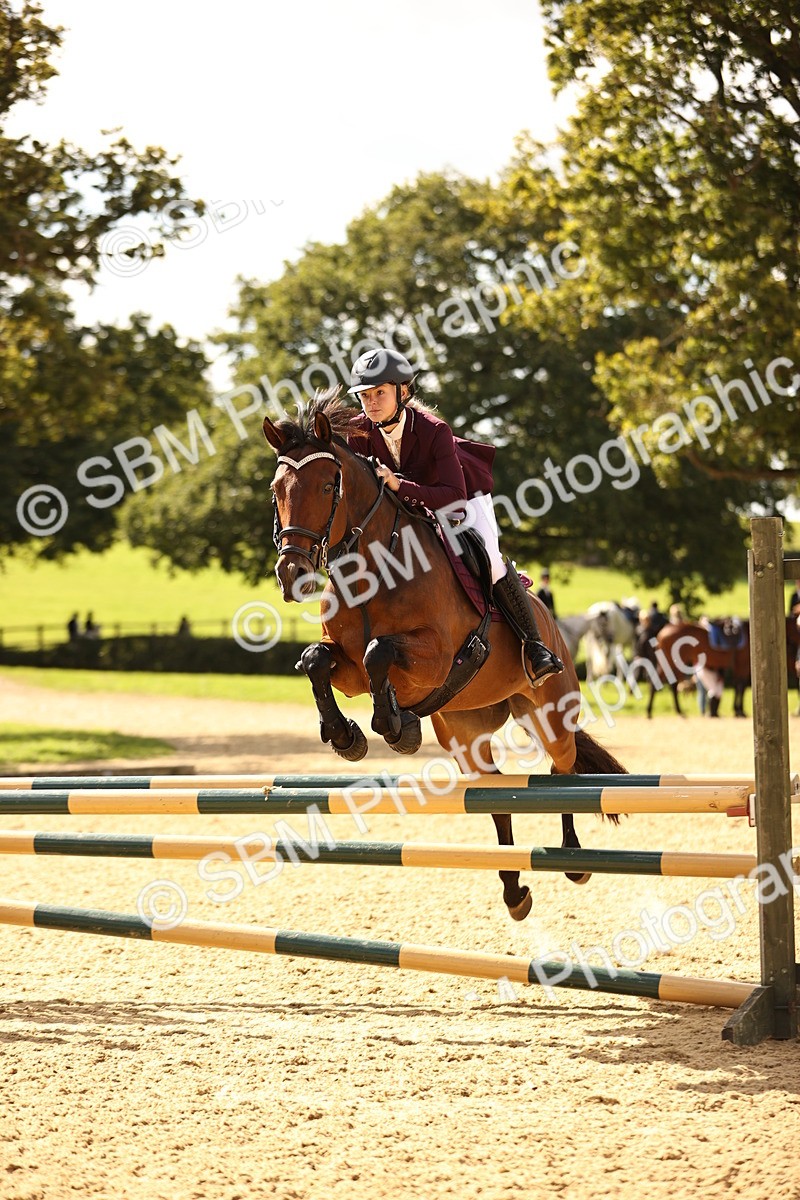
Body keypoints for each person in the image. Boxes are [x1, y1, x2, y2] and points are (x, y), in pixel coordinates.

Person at [345, 347, 563, 685]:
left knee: (490, 560)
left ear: (403, 392)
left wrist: (399, 485)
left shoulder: (435, 431)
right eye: (364, 396)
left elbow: (454, 499)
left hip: (462, 497)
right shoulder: (358, 432)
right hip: (410, 504)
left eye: (379, 393)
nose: (370, 402)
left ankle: (534, 646)